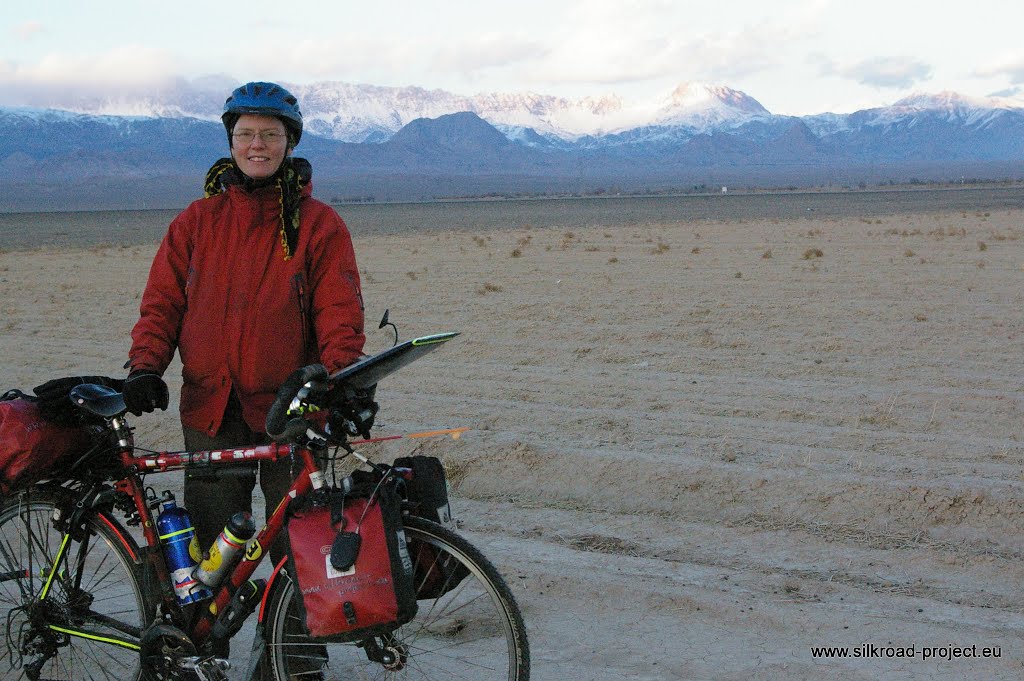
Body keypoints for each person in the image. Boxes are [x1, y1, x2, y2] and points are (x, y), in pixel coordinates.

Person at [123, 81, 372, 576]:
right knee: (210, 551)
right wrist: (146, 366)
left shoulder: (319, 225)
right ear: (231, 142)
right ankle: (197, 649)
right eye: (246, 134)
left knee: (299, 546)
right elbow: (163, 304)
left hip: (293, 410)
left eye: (270, 135)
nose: (257, 145)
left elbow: (340, 314)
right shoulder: (197, 222)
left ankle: (293, 654)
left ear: (290, 143)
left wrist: (343, 380)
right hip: (212, 410)